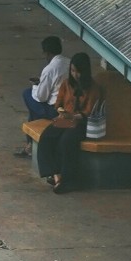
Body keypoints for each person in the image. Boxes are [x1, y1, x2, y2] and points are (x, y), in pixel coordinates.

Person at [34, 52, 106, 194]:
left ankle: (68, 180)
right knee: (47, 137)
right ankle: (56, 175)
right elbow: (58, 103)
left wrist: (77, 116)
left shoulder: (93, 88)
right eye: (73, 71)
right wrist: (62, 111)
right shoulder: (67, 84)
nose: (75, 75)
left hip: (82, 123)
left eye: (78, 72)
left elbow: (89, 111)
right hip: (66, 119)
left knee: (66, 141)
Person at [21, 35, 67, 124]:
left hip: (54, 110)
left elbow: (41, 97)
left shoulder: (50, 69)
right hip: (68, 105)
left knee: (27, 93)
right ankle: (33, 120)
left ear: (47, 53)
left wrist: (35, 85)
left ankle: (35, 121)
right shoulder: (69, 62)